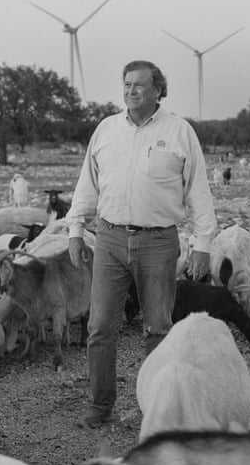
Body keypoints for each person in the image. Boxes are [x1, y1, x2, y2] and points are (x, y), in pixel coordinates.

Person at [66, 60, 217, 428]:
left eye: (139, 85)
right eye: (127, 84)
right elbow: (88, 183)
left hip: (158, 242)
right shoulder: (106, 130)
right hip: (110, 238)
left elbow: (198, 190)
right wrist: (74, 228)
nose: (131, 91)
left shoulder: (179, 132)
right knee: (100, 327)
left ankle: (156, 409)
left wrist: (203, 242)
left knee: (158, 328)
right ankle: (101, 407)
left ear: (157, 90)